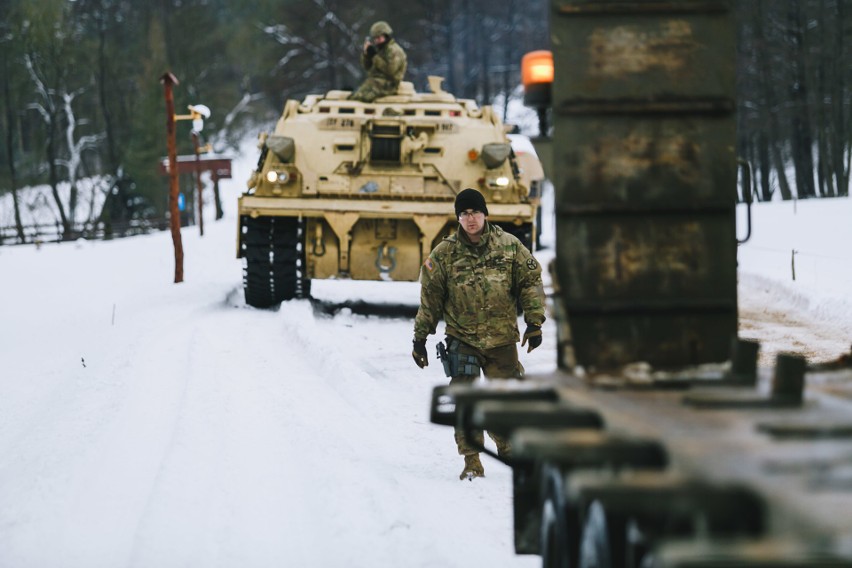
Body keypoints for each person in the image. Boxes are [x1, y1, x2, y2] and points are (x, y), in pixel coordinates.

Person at [412, 188, 546, 480]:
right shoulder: (444, 254)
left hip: (502, 341)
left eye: (474, 212)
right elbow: (430, 299)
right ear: (458, 218)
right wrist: (419, 339)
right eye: (464, 214)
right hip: (463, 339)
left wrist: (534, 323)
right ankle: (472, 461)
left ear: (485, 214)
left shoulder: (510, 247)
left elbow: (531, 281)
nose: (470, 219)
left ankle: (510, 452)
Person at [348, 21, 407, 102]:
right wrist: (367, 55)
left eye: (379, 38)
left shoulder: (394, 50)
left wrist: (374, 56)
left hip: (389, 84)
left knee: (361, 98)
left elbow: (390, 70)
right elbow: (367, 67)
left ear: (386, 36)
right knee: (354, 97)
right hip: (375, 82)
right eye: (375, 38)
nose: (377, 41)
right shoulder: (380, 50)